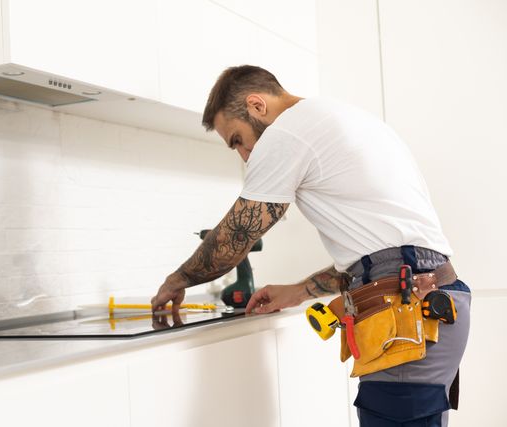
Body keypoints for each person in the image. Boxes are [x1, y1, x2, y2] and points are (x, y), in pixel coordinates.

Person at [150, 65, 470, 426]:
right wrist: (300, 291)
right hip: (428, 297)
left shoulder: (288, 131)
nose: (244, 155)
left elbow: (235, 238)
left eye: (237, 139)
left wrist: (177, 280)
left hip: (404, 309)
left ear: (256, 105)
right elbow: (381, 252)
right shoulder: (343, 119)